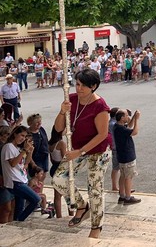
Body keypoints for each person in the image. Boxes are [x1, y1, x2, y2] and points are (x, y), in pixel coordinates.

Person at [52, 69, 112, 239]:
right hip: (76, 148)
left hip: (98, 150)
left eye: (83, 86)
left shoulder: (100, 106)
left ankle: (96, 227)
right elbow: (58, 129)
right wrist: (62, 111)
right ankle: (81, 205)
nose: (78, 89)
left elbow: (102, 135)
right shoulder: (70, 100)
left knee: (95, 188)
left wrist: (80, 152)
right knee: (58, 179)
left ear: (93, 86)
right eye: (77, 84)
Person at [1, 126, 40, 221]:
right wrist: (24, 150)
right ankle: (20, 221)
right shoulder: (8, 147)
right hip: (14, 182)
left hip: (21, 179)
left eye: (25, 136)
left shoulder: (17, 148)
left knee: (19, 208)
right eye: (21, 135)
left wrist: (30, 152)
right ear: (15, 134)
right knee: (36, 199)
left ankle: (17, 222)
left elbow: (25, 164)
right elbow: (13, 163)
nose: (23, 138)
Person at [114, 109, 141, 205]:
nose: (128, 117)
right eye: (126, 115)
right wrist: (137, 120)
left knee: (123, 175)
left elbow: (129, 126)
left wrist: (133, 117)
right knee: (129, 177)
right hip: (128, 156)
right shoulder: (121, 129)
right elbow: (134, 132)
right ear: (122, 118)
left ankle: (122, 195)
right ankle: (128, 198)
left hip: (122, 157)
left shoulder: (117, 126)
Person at [0, 125, 15, 223]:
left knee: (11, 206)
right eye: (8, 134)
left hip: (9, 178)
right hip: (3, 178)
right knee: (6, 208)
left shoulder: (8, 146)